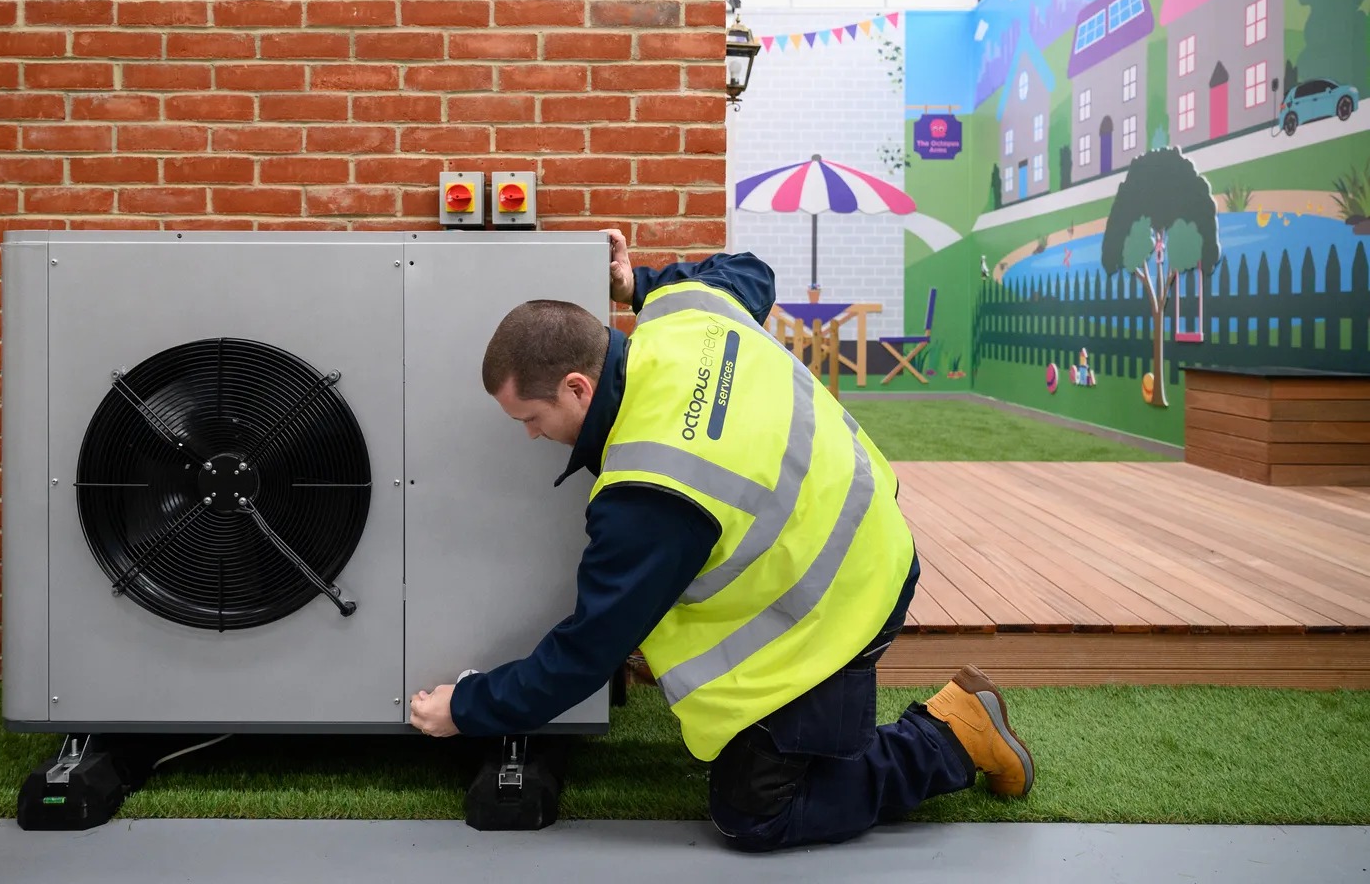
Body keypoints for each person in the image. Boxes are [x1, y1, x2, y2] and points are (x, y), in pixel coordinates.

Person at [409, 232, 1034, 850]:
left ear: (577, 388)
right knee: (755, 755)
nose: (530, 436)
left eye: (531, 419)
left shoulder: (647, 492)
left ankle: (952, 735)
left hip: (844, 603)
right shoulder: (688, 312)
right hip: (865, 534)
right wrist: (636, 283)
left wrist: (465, 708)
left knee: (757, 812)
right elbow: (751, 269)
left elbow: (584, 653)